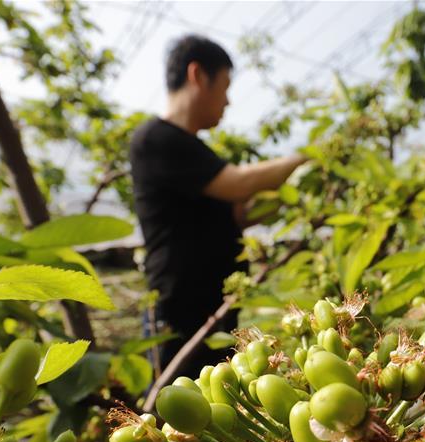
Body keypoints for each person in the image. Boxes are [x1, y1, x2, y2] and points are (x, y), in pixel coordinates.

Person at [130, 34, 307, 383]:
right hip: (179, 317)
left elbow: (239, 213)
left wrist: (301, 196)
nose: (228, 101)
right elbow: (239, 183)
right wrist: (305, 159)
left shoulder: (197, 153)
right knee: (171, 413)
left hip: (216, 313)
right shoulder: (157, 138)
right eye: (225, 86)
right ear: (198, 75)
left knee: (215, 410)